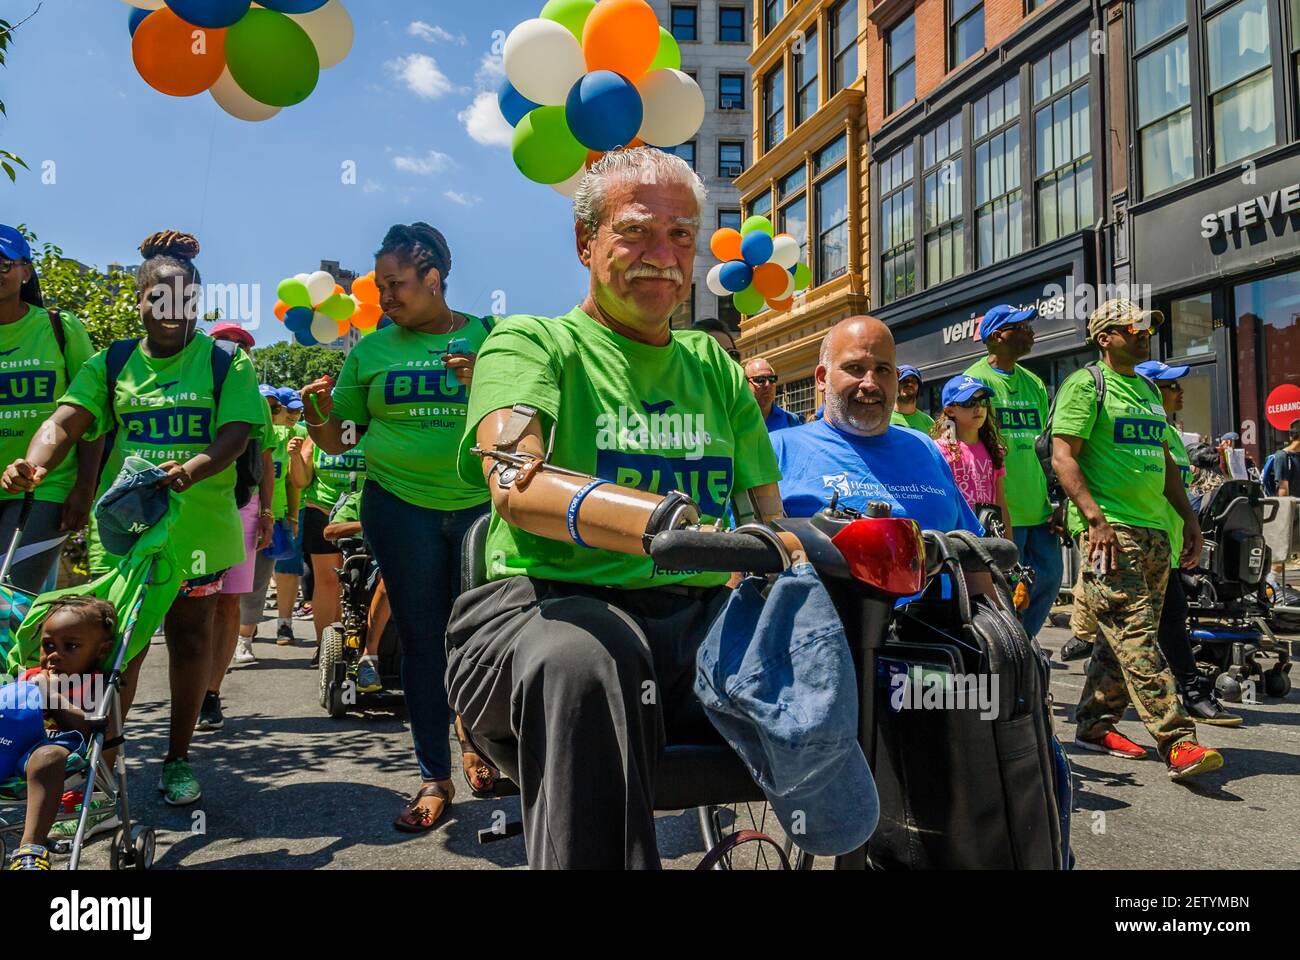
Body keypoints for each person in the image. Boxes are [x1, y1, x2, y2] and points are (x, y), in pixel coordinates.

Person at [446, 147, 783, 868]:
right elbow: (514, 479)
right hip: (539, 610)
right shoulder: (532, 341)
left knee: (889, 651)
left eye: (682, 236)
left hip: (691, 624)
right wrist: (659, 523)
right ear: (585, 242)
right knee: (586, 659)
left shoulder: (715, 367)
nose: (662, 256)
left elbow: (772, 518)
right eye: (635, 231)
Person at [2, 230, 268, 808]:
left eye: (185, 300)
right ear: (140, 301)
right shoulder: (111, 361)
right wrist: (34, 461)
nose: (171, 311)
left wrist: (192, 469)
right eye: (158, 298)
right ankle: (103, 763)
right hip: (125, 532)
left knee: (190, 639)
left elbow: (234, 436)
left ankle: (177, 759)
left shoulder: (227, 362)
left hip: (198, 532)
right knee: (111, 650)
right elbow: (64, 420)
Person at [300, 222, 494, 831]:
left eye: (396, 285)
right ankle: (435, 776)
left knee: (484, 636)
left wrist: (481, 382)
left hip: (480, 507)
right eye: (380, 286)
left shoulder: (491, 338)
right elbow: (340, 438)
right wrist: (316, 412)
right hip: (399, 507)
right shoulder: (372, 351)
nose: (384, 298)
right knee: (421, 636)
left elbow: (526, 415)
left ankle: (482, 747)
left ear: (434, 278)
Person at [1051, 299, 1222, 780]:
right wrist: (1094, 520)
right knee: (1137, 636)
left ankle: (1094, 723)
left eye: (1146, 328)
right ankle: (1178, 740)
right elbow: (1064, 456)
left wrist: (1187, 518)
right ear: (1104, 337)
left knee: (1117, 641)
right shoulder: (1087, 385)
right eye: (1132, 328)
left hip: (1154, 532)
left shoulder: (1147, 388)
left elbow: (1166, 461)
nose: (1143, 334)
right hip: (1113, 532)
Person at [770, 317, 981, 534]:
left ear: (896, 379)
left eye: (882, 370)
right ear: (823, 378)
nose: (870, 383)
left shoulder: (926, 449)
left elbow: (972, 550)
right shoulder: (777, 451)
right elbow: (744, 551)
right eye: (855, 368)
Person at [0, 225, 101, 595]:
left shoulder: (60, 328)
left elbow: (90, 412)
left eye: (4, 263)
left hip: (45, 489)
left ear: (26, 271)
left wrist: (84, 488)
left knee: (8, 602)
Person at [965, 304, 1064, 641]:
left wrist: (1058, 498)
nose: (1030, 332)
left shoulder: (1035, 382)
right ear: (997, 335)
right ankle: (1004, 648)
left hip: (1038, 507)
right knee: (1003, 587)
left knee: (1049, 578)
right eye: (1021, 327)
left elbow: (1047, 445)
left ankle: (1022, 642)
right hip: (1000, 508)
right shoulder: (974, 380)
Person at [3, 596, 116, 871]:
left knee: (47, 756)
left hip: (57, 749)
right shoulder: (29, 676)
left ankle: (30, 848)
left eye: (71, 646)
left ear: (101, 651)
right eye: (48, 645)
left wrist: (51, 697)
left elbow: (92, 730)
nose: (54, 654)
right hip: (13, 746)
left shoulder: (94, 683)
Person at [199, 324, 275, 732]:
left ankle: (210, 693)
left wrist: (267, 512)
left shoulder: (254, 398)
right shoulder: (196, 382)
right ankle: (187, 690)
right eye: (227, 346)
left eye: (243, 346)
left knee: (227, 601)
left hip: (241, 506)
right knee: (194, 602)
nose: (236, 352)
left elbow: (265, 460)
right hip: (193, 506)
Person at [288, 427, 365, 662]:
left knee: (357, 582)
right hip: (322, 511)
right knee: (328, 581)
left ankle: (357, 645)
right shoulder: (318, 436)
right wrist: (294, 457)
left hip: (360, 514)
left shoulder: (373, 430)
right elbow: (301, 480)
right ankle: (325, 648)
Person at [930, 374, 1011, 536]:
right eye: (969, 403)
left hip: (989, 537)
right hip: (955, 537)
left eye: (983, 401)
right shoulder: (937, 450)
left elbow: (1001, 502)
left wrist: (1009, 545)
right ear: (950, 410)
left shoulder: (994, 450)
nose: (978, 408)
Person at [274, 388, 306, 642]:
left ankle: (285, 623)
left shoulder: (304, 433)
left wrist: (294, 515)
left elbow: (300, 480)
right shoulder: (262, 431)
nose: (295, 415)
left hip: (297, 510)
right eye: (290, 409)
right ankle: (244, 630)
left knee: (289, 569)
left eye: (298, 410)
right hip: (264, 510)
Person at [743, 357, 801, 432]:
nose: (767, 385)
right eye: (760, 379)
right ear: (745, 384)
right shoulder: (734, 420)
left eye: (772, 379)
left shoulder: (791, 420)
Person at [890, 364, 935, 433]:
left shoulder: (928, 422)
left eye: (914, 381)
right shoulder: (884, 418)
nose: (909, 384)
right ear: (896, 385)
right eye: (905, 381)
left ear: (918, 387)